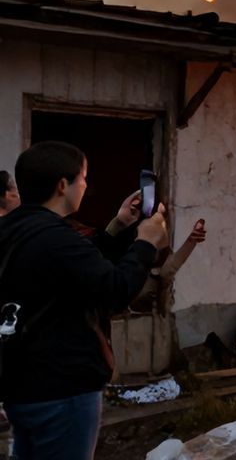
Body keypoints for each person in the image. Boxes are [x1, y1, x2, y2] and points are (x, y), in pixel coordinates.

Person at [0, 141, 169, 460]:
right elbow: (115, 289)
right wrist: (146, 243)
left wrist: (118, 225)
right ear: (63, 185)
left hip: (20, 386)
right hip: (61, 389)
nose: (86, 185)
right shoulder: (56, 239)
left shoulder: (16, 230)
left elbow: (77, 269)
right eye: (83, 177)